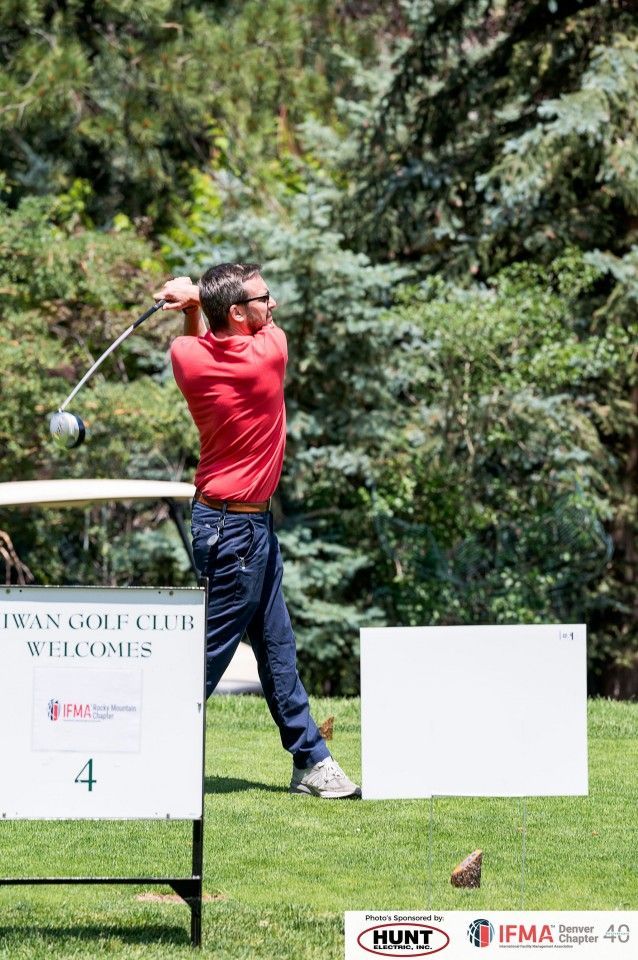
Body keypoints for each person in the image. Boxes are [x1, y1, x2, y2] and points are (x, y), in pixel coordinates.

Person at [155, 264, 361, 799]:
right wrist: (198, 298)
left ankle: (311, 761)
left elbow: (199, 338)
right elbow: (223, 324)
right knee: (209, 653)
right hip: (236, 531)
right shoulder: (268, 352)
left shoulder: (186, 358)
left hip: (236, 525)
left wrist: (193, 302)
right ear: (239, 313)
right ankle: (140, 753)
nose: (274, 307)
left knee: (276, 645)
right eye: (263, 299)